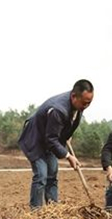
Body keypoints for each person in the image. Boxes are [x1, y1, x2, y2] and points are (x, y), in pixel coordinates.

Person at [18, 79, 94, 209]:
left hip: (50, 139)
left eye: (89, 103)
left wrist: (66, 137)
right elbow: (51, 139)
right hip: (35, 139)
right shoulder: (59, 109)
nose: (86, 106)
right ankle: (35, 212)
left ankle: (53, 211)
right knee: (41, 175)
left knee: (52, 175)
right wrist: (68, 156)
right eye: (85, 103)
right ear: (74, 96)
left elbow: (64, 128)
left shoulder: (78, 105)